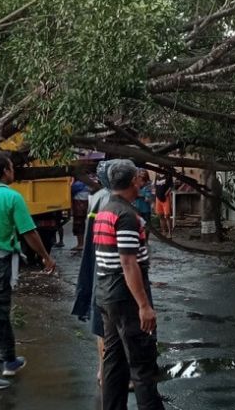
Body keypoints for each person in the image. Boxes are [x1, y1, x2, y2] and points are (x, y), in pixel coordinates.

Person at [0, 151, 57, 393]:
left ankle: (10, 360)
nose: (13, 171)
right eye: (11, 168)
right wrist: (46, 257)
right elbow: (29, 232)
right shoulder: (13, 197)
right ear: (5, 171)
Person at [94, 159, 164, 410]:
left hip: (107, 294)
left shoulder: (106, 209)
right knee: (142, 365)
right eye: (139, 178)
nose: (141, 182)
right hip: (126, 298)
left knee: (114, 362)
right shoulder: (125, 215)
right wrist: (144, 305)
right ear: (133, 181)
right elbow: (127, 262)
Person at [72, 161, 113, 384]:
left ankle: (103, 370)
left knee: (101, 322)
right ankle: (112, 373)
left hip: (96, 263)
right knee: (113, 324)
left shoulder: (97, 197)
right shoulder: (112, 201)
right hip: (110, 269)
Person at [71, 177, 91, 252]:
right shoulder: (89, 183)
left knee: (78, 225)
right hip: (86, 205)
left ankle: (80, 244)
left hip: (79, 205)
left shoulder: (78, 184)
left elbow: (70, 190)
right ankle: (82, 244)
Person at [153, 173, 173, 238]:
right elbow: (155, 186)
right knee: (160, 215)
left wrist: (166, 194)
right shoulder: (157, 176)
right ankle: (163, 232)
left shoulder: (168, 175)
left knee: (167, 215)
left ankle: (170, 233)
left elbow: (171, 186)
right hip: (158, 198)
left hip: (166, 198)